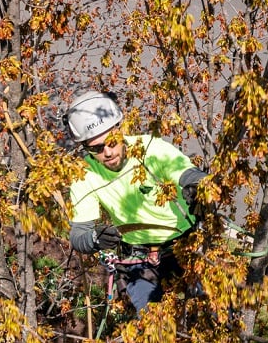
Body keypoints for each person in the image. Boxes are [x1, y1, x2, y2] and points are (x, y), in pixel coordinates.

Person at [63, 90, 206, 314]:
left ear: (120, 130)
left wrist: (196, 187)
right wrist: (94, 238)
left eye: (111, 141)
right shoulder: (84, 174)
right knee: (150, 328)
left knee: (212, 311)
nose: (108, 153)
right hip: (139, 258)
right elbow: (79, 235)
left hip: (186, 245)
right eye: (96, 149)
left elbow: (187, 173)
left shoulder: (149, 148)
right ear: (86, 148)